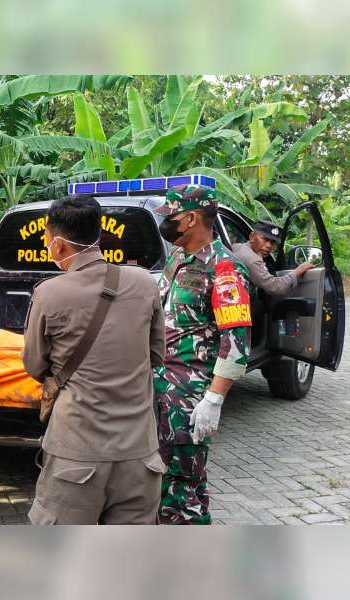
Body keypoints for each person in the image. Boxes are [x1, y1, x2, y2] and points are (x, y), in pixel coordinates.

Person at [23, 195, 166, 525]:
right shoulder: (145, 283)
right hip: (139, 458)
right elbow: (156, 354)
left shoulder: (49, 293)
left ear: (58, 245)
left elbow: (33, 365)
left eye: (46, 240)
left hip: (76, 455)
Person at [153, 184, 252, 525]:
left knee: (184, 484)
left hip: (189, 393)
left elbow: (237, 342)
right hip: (161, 386)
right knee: (161, 476)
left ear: (191, 218)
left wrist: (214, 399)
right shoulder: (178, 258)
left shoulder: (225, 269)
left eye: (170, 217)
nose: (166, 223)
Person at [231, 219, 315, 295]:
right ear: (252, 237)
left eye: (273, 242)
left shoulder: (237, 247)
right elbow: (275, 287)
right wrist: (298, 271)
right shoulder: (252, 260)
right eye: (265, 239)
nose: (269, 246)